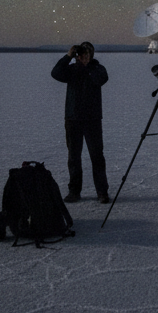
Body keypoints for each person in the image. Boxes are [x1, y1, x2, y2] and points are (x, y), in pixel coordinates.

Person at [51, 42, 110, 203]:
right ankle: (74, 191)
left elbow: (101, 79)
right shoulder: (71, 70)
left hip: (92, 120)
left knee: (97, 156)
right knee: (74, 158)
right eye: (80, 55)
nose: (83, 58)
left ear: (91, 56)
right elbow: (55, 73)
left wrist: (86, 67)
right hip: (73, 119)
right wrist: (68, 56)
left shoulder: (98, 69)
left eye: (86, 55)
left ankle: (102, 192)